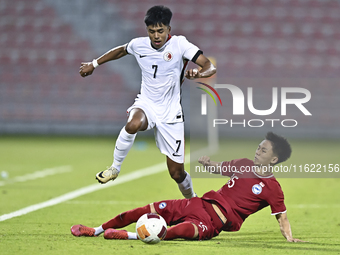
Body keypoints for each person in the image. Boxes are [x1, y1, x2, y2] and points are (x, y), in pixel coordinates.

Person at [79, 5, 216, 199]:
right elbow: (121, 50)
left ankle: (193, 199)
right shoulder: (139, 44)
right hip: (147, 103)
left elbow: (209, 66)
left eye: (160, 31)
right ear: (147, 31)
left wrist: (198, 73)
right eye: (152, 31)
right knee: (133, 123)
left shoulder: (180, 44)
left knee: (176, 173)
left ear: (169, 29)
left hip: (171, 113)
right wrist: (93, 64)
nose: (156, 36)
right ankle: (115, 168)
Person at [71, 132, 305, 242]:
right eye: (258, 147)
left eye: (263, 150)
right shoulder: (243, 164)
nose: (257, 151)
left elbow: (281, 217)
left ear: (274, 160)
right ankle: (97, 229)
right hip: (197, 203)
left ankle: (128, 236)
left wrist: (290, 239)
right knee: (142, 210)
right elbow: (220, 167)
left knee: (178, 232)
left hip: (213, 223)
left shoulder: (272, 188)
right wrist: (208, 163)